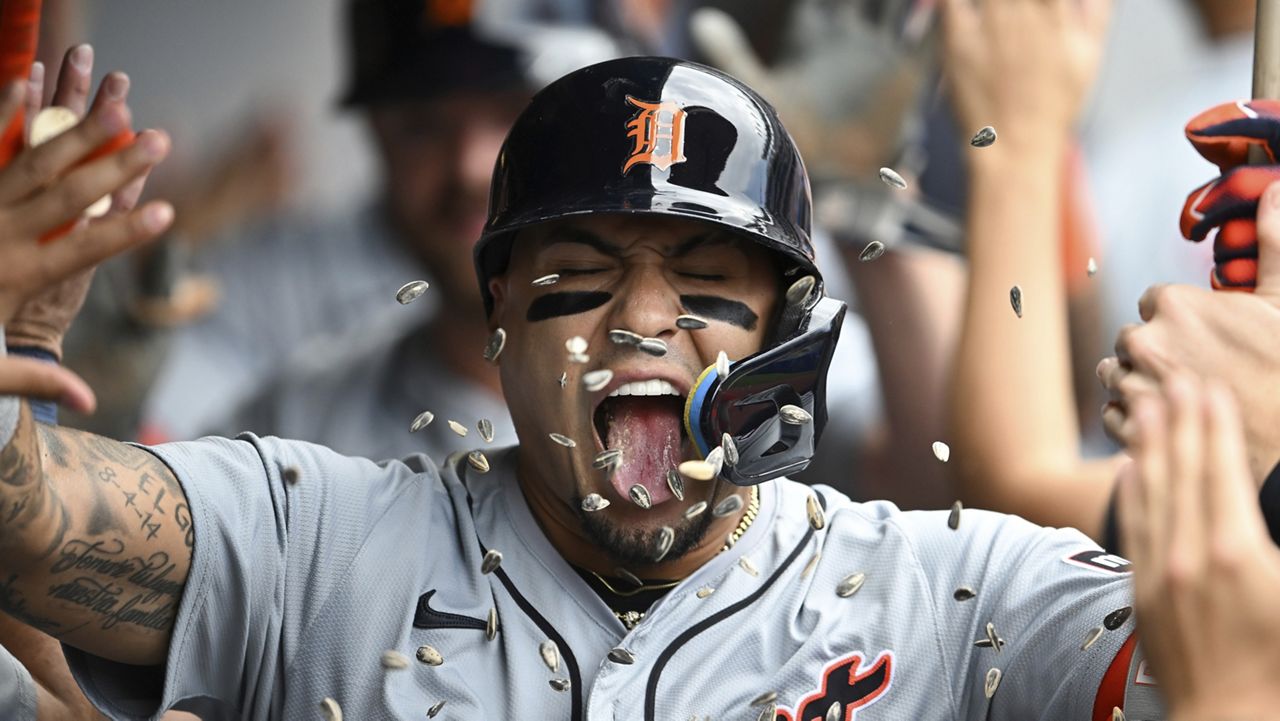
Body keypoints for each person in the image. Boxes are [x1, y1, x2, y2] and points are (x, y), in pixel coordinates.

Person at [0, 54, 1163, 720]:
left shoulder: (946, 592)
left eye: (707, 281)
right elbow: (30, 515)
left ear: (782, 333)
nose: (646, 321)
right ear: (494, 312)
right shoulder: (323, 540)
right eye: (581, 277)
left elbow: (1224, 644)